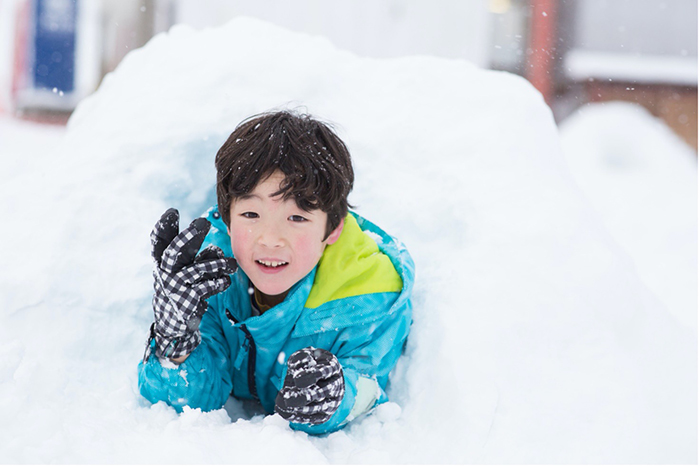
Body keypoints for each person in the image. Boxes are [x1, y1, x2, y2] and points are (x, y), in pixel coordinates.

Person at [138, 110, 414, 434]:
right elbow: (194, 397)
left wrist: (336, 395)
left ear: (334, 228)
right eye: (251, 213)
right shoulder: (206, 279)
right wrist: (176, 343)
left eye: (297, 218)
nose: (270, 239)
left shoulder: (367, 293)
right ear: (227, 220)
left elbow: (370, 385)